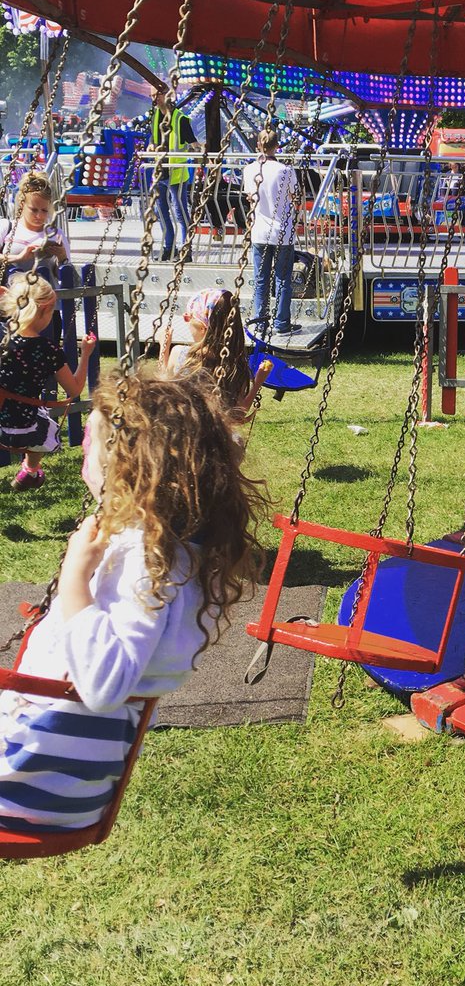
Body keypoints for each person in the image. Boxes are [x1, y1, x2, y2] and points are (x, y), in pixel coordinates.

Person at [0, 372, 268, 832]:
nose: (86, 454)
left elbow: (104, 685)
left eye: (92, 443)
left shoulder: (147, 559)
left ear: (125, 463)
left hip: (30, 785)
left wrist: (75, 579)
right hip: (70, 784)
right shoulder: (184, 552)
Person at [0, 273, 96, 490]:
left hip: (2, 422)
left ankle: (29, 471)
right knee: (45, 427)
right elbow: (74, 389)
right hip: (26, 427)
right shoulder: (47, 350)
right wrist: (86, 354)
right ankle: (30, 470)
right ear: (44, 311)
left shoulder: (3, 338)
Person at [159, 287, 272, 420]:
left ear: (202, 327)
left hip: (186, 435)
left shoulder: (180, 354)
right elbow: (238, 414)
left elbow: (163, 386)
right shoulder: (235, 365)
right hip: (216, 439)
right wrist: (258, 381)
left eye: (188, 317)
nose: (187, 322)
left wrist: (163, 348)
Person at [242, 127, 300, 336]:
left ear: (259, 145)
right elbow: (295, 198)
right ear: (278, 146)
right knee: (283, 279)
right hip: (282, 232)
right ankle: (281, 323)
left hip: (259, 230)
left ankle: (261, 323)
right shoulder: (286, 171)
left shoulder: (250, 170)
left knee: (261, 278)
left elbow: (250, 197)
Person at [148, 83, 199, 262]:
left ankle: (186, 249)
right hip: (160, 172)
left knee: (180, 213)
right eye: (152, 96)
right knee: (161, 211)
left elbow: (194, 145)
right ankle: (169, 247)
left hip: (176, 174)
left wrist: (198, 152)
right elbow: (152, 140)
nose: (154, 100)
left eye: (156, 95)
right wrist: (152, 146)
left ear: (165, 96)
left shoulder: (180, 119)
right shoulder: (155, 117)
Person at [0, 170, 71, 293]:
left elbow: (67, 278)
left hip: (46, 305)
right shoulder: (7, 227)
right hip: (11, 303)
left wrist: (62, 257)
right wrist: (17, 257)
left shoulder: (56, 234)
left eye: (44, 210)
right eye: (33, 210)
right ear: (22, 205)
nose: (39, 216)